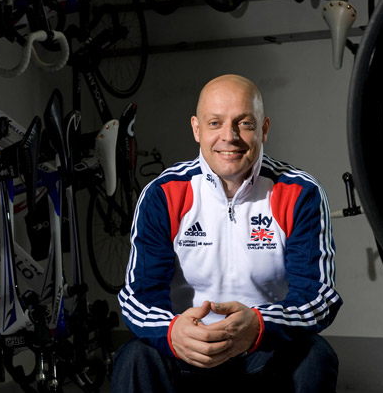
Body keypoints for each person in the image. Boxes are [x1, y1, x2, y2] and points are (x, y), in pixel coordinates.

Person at [112, 74, 342, 392]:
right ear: (196, 129)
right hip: (186, 353)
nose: (229, 137)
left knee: (315, 355)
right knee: (135, 356)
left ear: (264, 129)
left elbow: (318, 296)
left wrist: (259, 326)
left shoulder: (300, 192)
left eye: (244, 123)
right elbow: (139, 296)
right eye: (215, 123)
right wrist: (173, 331)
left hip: (265, 352)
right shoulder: (163, 193)